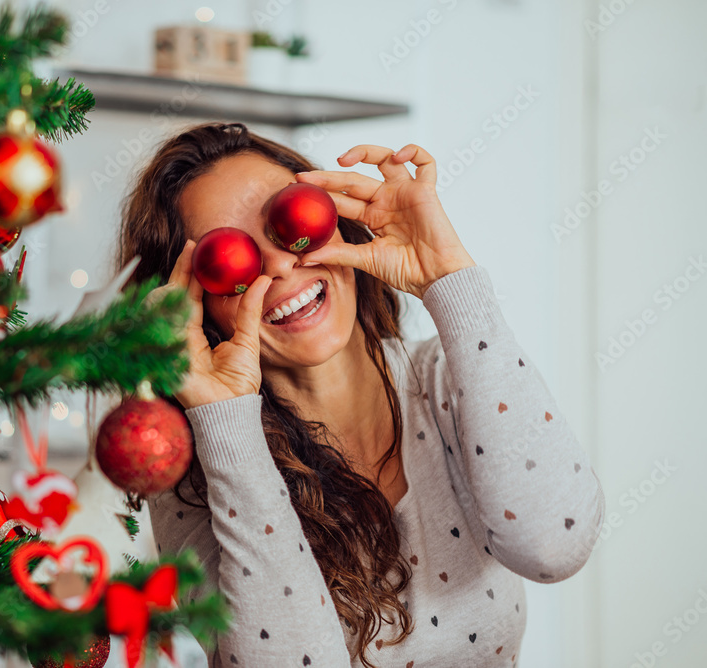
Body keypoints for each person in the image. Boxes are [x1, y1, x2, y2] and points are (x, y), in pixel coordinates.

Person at [117, 122, 604, 667]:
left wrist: (451, 277)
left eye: (290, 220)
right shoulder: (198, 471)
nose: (281, 266)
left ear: (339, 222)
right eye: (229, 259)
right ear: (192, 308)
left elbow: (553, 546)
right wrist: (225, 420)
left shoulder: (447, 381)